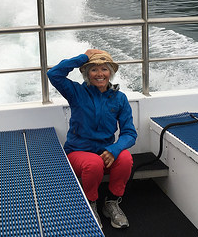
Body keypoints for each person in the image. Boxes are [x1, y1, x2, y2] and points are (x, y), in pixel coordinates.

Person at [47, 49, 137, 229]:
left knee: (126, 158)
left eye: (104, 69)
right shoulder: (76, 92)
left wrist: (114, 149)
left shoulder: (119, 98)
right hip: (78, 152)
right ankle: (91, 203)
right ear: (87, 73)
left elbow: (129, 133)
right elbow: (53, 73)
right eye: (93, 69)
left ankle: (111, 203)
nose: (99, 74)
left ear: (110, 72)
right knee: (93, 164)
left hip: (106, 151)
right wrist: (83, 57)